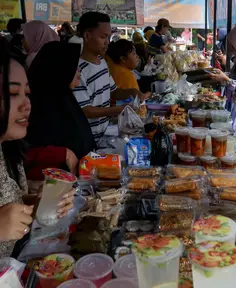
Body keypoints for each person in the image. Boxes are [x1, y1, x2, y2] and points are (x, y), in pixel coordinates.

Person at [0, 38, 74, 258]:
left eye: (27, 93)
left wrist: (42, 203)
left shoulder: (8, 149)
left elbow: (10, 207)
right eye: (13, 94)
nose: (27, 104)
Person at [25, 42, 95, 188]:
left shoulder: (64, 98)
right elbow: (22, 152)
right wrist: (61, 153)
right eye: (74, 65)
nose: (79, 71)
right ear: (60, 67)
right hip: (49, 192)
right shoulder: (33, 105)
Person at [73, 12, 141, 145]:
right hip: (88, 139)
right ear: (87, 36)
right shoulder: (77, 70)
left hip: (105, 134)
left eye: (109, 37)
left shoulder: (102, 62)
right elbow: (85, 110)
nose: (107, 42)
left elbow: (113, 91)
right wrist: (119, 109)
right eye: (103, 37)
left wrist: (133, 92)